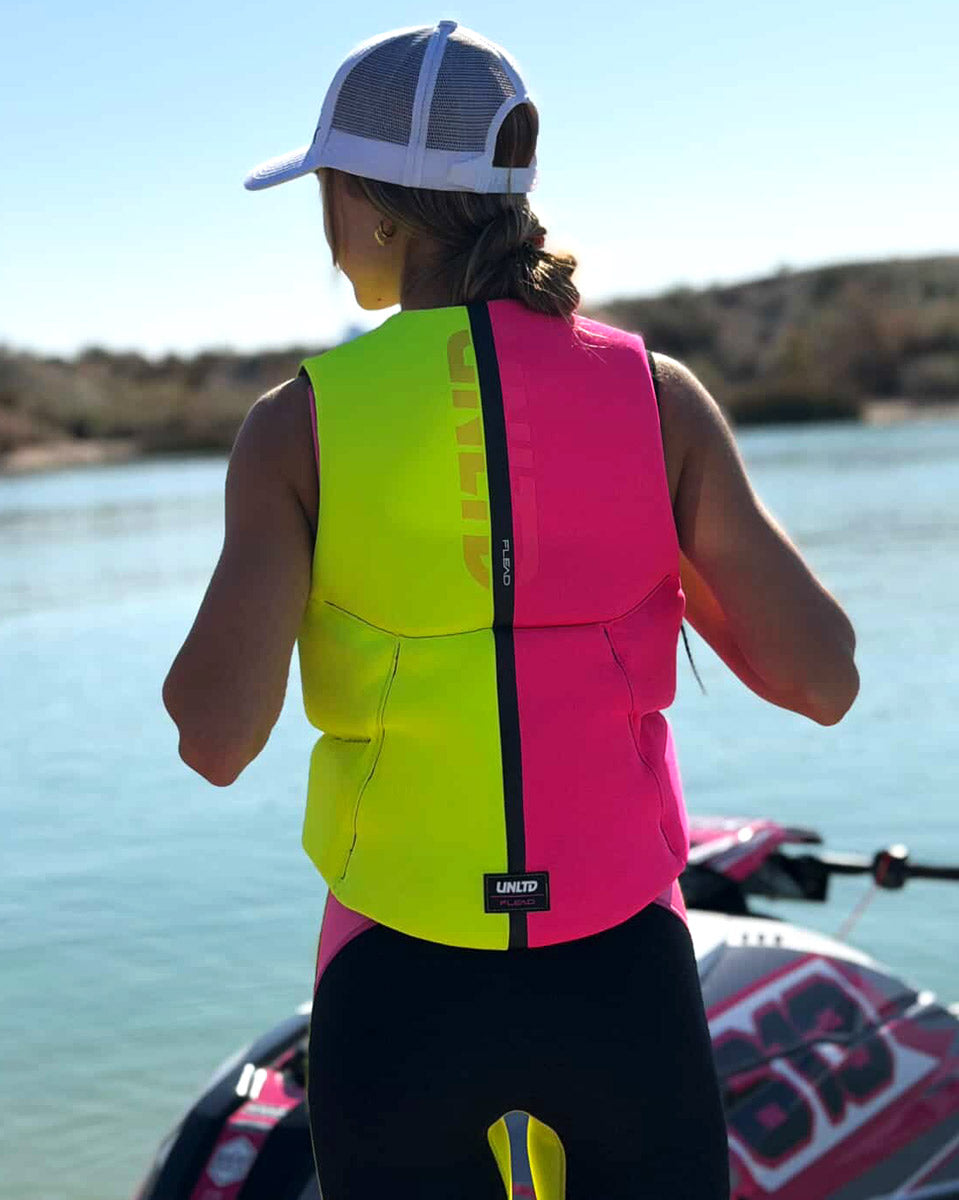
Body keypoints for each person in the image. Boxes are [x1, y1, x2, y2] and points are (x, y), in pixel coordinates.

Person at [162, 19, 859, 1199]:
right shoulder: (654, 396)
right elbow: (821, 679)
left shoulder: (299, 423)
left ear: (372, 207)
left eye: (326, 192)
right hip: (621, 976)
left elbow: (215, 738)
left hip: (398, 979)